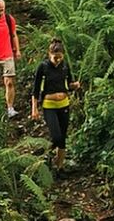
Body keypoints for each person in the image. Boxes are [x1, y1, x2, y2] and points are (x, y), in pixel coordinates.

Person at [30, 39, 81, 172]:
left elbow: (69, 84)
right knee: (56, 136)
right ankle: (44, 155)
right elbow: (35, 90)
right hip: (49, 105)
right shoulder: (43, 67)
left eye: (60, 57)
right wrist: (34, 109)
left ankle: (59, 167)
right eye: (55, 58)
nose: (57, 60)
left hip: (64, 104)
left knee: (63, 138)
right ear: (49, 54)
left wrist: (74, 85)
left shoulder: (65, 66)